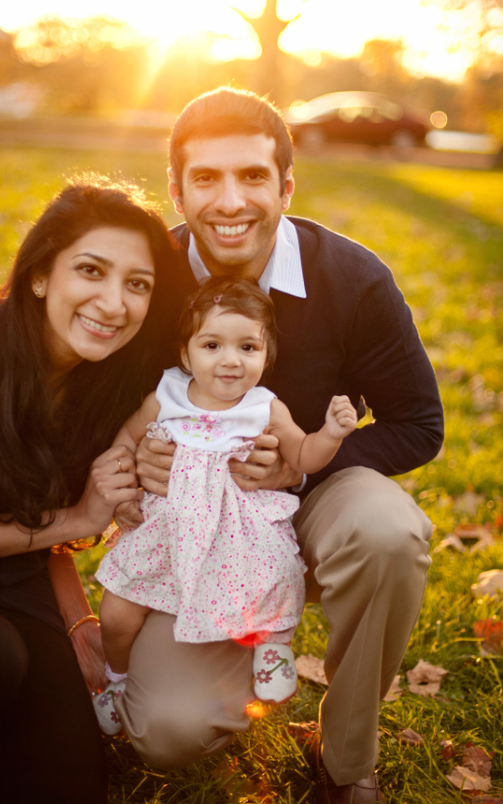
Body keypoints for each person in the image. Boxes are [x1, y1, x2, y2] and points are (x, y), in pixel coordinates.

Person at [113, 88, 444, 804]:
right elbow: (105, 412)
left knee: (387, 532)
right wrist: (133, 463)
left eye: (253, 177)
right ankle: (238, 650)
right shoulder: (148, 279)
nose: (230, 201)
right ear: (176, 189)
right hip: (195, 528)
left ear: (287, 185)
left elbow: (419, 423)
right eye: (206, 179)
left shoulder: (354, 279)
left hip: (317, 494)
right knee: (163, 730)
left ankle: (347, 760)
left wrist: (293, 470)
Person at [0, 176, 193, 804]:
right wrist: (77, 517)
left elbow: (36, 519)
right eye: (91, 270)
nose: (113, 304)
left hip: (8, 577)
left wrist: (76, 620)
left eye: (136, 284)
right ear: (40, 274)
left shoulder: (116, 379)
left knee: (67, 786)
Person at [91, 278, 357, 731]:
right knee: (116, 611)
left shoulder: (264, 407)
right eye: (212, 344)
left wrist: (331, 433)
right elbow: (127, 439)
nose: (231, 360)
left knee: (275, 575)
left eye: (248, 347)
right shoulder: (165, 397)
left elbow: (302, 454)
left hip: (239, 532)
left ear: (266, 354)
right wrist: (125, 485)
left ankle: (272, 647)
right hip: (167, 530)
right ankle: (117, 678)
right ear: (185, 353)